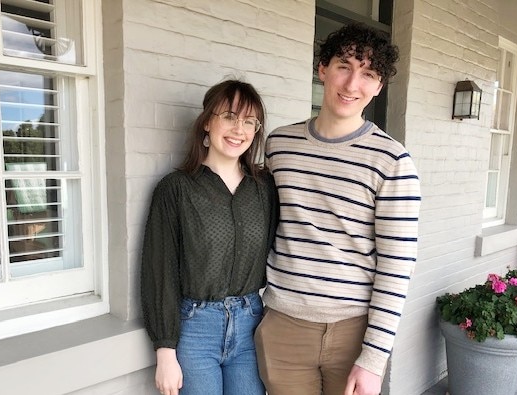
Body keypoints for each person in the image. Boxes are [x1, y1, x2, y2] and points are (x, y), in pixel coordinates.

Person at [254, 23, 421, 395]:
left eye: (369, 74)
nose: (351, 84)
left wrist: (374, 358)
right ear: (322, 69)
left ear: (378, 87)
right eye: (344, 65)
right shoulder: (279, 145)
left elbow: (397, 266)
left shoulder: (392, 160)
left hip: (354, 330)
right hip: (284, 325)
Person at [141, 79, 278, 395]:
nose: (238, 129)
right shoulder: (176, 189)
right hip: (195, 329)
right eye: (229, 117)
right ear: (207, 123)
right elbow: (159, 271)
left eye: (249, 122)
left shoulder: (265, 189)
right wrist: (165, 351)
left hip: (250, 324)